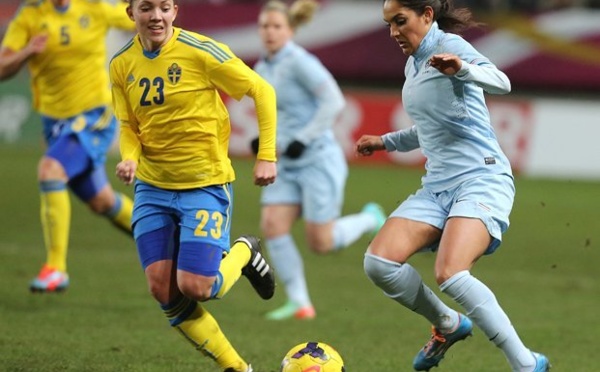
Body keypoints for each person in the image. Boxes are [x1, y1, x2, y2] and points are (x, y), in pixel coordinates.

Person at [355, 1, 550, 371]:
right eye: (388, 24)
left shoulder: (451, 47)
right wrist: (386, 142)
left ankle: (526, 364)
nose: (394, 32)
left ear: (426, 15)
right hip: (438, 188)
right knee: (378, 263)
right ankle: (448, 324)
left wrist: (463, 69)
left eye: (401, 21)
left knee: (451, 272)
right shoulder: (413, 64)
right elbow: (429, 127)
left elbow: (503, 82)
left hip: (481, 179)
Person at [110, 0, 278, 370]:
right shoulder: (121, 64)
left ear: (175, 11)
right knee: (163, 290)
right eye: (146, 8)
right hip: (152, 188)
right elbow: (128, 125)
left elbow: (262, 90)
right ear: (131, 13)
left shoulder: (201, 52)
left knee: (198, 287)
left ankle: (245, 252)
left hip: (203, 185)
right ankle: (237, 367)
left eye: (164, 7)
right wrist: (129, 158)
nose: (156, 16)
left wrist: (267, 155)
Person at [252, 0, 387, 321]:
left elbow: (333, 101)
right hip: (286, 162)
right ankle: (300, 303)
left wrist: (303, 138)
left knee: (321, 243)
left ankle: (370, 218)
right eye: (264, 26)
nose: (269, 32)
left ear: (291, 30)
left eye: (276, 27)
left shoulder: (301, 62)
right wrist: (267, 140)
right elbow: (276, 111)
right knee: (272, 225)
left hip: (317, 161)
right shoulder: (262, 67)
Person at [0, 0, 136, 293]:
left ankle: (56, 268)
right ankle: (168, 240)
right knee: (102, 201)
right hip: (55, 125)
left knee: (50, 171)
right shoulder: (30, 16)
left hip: (94, 115)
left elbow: (135, 15)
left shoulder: (94, 7)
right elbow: (2, 66)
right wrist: (26, 52)